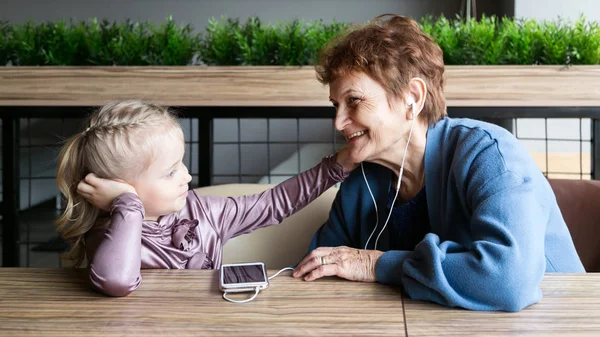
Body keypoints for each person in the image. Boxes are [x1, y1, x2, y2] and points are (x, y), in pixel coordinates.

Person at [292, 14, 584, 312]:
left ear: (412, 97)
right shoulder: (361, 181)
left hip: (556, 321)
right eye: (335, 105)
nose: (338, 122)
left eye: (353, 100)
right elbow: (320, 269)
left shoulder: (486, 151)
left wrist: (377, 264)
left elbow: (508, 281)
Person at [56, 100, 356, 297]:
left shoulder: (205, 212)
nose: (186, 176)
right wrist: (129, 206)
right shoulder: (110, 234)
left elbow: (272, 204)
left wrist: (335, 168)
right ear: (120, 190)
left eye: (182, 163)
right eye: (170, 172)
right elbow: (116, 281)